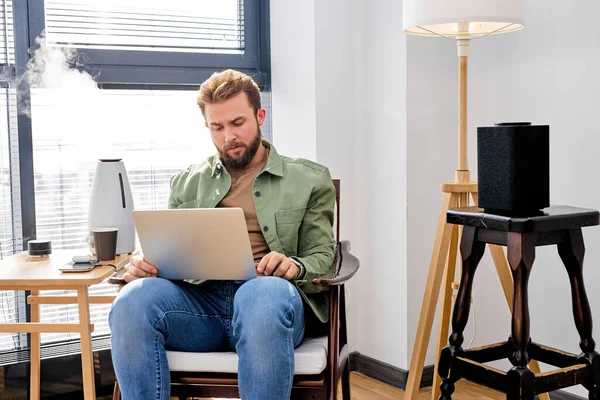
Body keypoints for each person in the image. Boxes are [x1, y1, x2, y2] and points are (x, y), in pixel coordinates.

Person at [108, 69, 337, 400]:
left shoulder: (310, 179)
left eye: (238, 123)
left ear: (260, 116)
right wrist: (146, 266)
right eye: (218, 127)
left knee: (261, 295)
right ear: (208, 127)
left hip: (270, 303)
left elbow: (324, 257)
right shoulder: (186, 182)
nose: (229, 136)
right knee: (131, 300)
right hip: (200, 308)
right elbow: (170, 253)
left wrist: (294, 266)